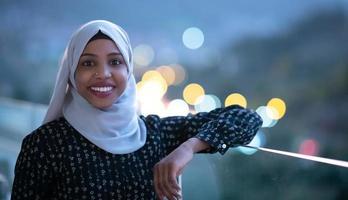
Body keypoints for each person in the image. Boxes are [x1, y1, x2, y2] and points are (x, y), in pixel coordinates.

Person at [11, 20, 263, 200]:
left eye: (115, 62)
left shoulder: (155, 134)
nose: (103, 74)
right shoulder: (44, 145)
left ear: (129, 70)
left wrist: (187, 148)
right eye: (88, 63)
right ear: (71, 72)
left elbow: (247, 118)